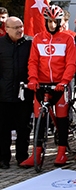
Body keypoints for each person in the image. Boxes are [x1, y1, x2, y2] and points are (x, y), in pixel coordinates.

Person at [21, 5, 76, 168]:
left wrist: (64, 81)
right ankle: (36, 154)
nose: (52, 25)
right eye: (49, 21)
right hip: (41, 85)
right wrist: (32, 78)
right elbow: (33, 61)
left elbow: (71, 63)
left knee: (61, 120)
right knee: (39, 119)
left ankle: (61, 153)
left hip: (60, 86)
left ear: (60, 22)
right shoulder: (38, 38)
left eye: (55, 21)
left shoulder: (67, 39)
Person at [0, 17, 32, 168]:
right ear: (6, 28)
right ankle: (3, 158)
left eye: (21, 26)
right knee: (3, 128)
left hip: (24, 94)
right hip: (4, 95)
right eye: (16, 27)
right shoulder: (0, 44)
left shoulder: (29, 44)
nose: (20, 30)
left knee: (23, 128)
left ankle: (22, 156)